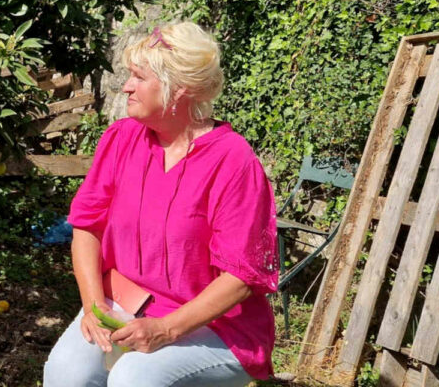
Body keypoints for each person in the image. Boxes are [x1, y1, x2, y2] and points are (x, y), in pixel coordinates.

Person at [43, 22, 278, 387]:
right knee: (65, 374)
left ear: (178, 88)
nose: (127, 86)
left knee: (134, 378)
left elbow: (241, 279)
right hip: (126, 304)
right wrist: (93, 305)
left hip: (216, 327)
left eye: (139, 77)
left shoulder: (234, 162)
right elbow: (86, 227)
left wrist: (166, 330)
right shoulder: (122, 139)